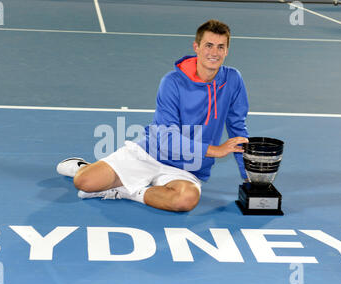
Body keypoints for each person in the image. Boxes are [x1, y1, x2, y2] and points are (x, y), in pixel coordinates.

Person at [57, 19, 249, 212]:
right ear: (197, 47)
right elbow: (167, 140)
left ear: (226, 51)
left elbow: (237, 128)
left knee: (185, 200)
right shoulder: (172, 82)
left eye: (220, 47)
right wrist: (216, 150)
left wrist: (248, 174)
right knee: (84, 182)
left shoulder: (233, 80)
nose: (214, 53)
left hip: (188, 168)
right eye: (209, 45)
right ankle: (82, 167)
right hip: (150, 154)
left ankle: (125, 191)